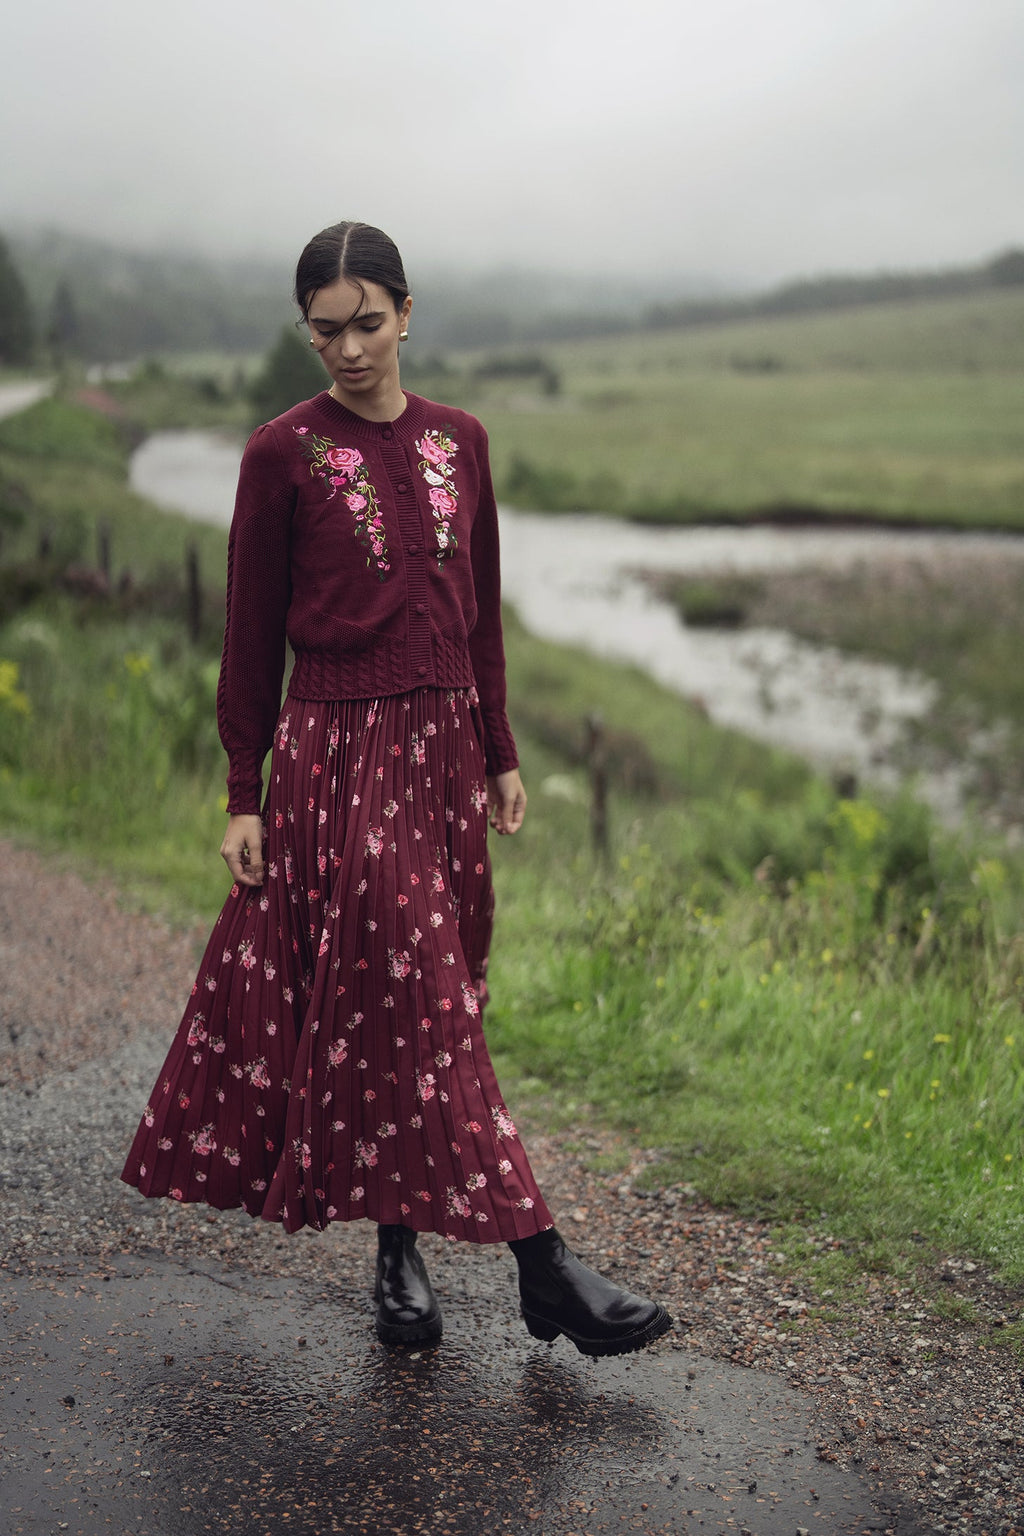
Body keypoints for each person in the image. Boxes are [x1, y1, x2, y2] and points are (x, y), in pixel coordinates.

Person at [121, 221, 670, 1358]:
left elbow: (481, 617)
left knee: (422, 1005)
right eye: (324, 331)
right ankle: (545, 1265)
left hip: (444, 757)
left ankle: (396, 1254)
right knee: (417, 995)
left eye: (367, 323)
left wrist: (502, 749)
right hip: (336, 758)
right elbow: (248, 637)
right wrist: (244, 788)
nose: (348, 350)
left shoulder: (462, 442)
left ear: (407, 314)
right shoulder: (281, 453)